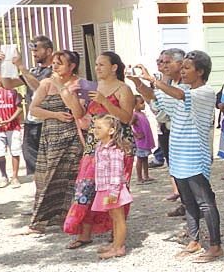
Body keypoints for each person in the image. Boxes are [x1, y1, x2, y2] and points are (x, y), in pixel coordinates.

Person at [132, 50, 222, 262]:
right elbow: (157, 100)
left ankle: (216, 245)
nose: (182, 71)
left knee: (204, 202)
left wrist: (153, 80)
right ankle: (194, 239)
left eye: (187, 68)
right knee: (188, 201)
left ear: (200, 71)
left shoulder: (205, 92)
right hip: (179, 153)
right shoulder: (179, 89)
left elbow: (179, 95)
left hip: (195, 155)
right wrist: (138, 83)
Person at [61, 52, 136, 250]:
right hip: (94, 144)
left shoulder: (123, 89)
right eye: (96, 64)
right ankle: (84, 232)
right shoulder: (93, 87)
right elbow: (83, 118)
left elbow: (126, 118)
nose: (98, 68)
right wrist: (70, 97)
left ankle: (116, 233)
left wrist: (105, 102)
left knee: (115, 188)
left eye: (102, 64)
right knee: (86, 187)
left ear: (114, 67)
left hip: (118, 146)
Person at [26, 51, 85, 233]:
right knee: (44, 177)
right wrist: (54, 115)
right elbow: (33, 109)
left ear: (72, 65)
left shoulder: (80, 84)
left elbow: (79, 112)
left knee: (70, 177)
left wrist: (63, 88)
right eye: (54, 63)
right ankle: (41, 220)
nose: (55, 66)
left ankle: (69, 218)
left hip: (72, 137)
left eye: (60, 63)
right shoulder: (46, 83)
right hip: (50, 136)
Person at [0, 35, 55, 175]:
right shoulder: (33, 71)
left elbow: (39, 87)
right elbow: (8, 84)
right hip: (32, 123)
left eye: (37, 50)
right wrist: (4, 64)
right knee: (34, 166)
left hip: (47, 122)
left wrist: (20, 66)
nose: (34, 54)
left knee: (49, 165)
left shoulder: (55, 70)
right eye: (32, 51)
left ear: (48, 51)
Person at [89, 115, 133, 259]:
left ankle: (119, 247)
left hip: (113, 190)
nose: (95, 130)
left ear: (111, 130)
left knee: (118, 218)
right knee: (113, 216)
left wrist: (113, 192)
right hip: (104, 188)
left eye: (99, 127)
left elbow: (116, 172)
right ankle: (115, 244)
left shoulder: (114, 150)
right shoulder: (100, 147)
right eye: (94, 127)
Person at [154, 48, 185, 212]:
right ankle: (183, 200)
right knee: (172, 164)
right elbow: (156, 103)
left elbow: (171, 104)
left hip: (181, 132)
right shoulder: (167, 82)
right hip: (166, 128)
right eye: (160, 62)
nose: (163, 65)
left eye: (166, 62)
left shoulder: (184, 85)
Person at [131, 96, 155, 184]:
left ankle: (146, 176)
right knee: (140, 158)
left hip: (146, 140)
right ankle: (139, 178)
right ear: (135, 105)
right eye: (141, 103)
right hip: (140, 141)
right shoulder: (135, 115)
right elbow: (129, 125)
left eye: (143, 102)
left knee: (145, 158)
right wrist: (136, 134)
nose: (143, 104)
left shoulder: (143, 114)